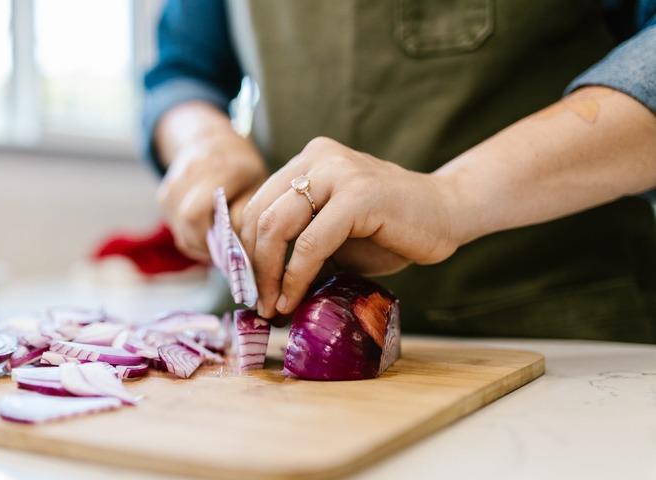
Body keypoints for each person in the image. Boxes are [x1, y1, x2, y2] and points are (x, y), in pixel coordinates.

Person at [142, 0, 656, 342]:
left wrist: (451, 197)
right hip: (282, 336)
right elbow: (183, 69)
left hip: (555, 332)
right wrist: (202, 141)